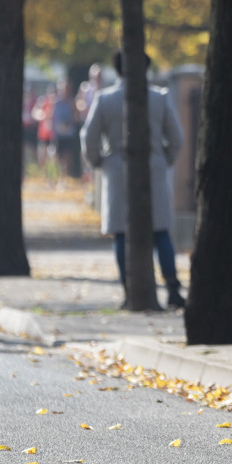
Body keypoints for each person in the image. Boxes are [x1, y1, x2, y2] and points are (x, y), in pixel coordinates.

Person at [80, 50, 185, 309]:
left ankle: (130, 290)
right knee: (161, 232)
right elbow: (177, 137)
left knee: (121, 234)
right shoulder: (159, 98)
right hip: (154, 167)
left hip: (117, 170)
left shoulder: (105, 100)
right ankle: (172, 287)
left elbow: (89, 138)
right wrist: (164, 159)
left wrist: (100, 162)